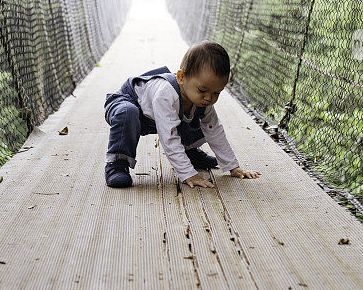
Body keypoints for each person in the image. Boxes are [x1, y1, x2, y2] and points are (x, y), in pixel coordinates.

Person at [103, 41, 260, 188]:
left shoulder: (202, 99)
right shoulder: (166, 94)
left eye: (216, 93)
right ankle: (117, 165)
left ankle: (189, 152)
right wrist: (188, 174)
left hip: (160, 114)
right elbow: (168, 136)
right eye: (202, 90)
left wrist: (233, 167)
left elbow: (214, 130)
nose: (209, 97)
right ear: (181, 77)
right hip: (129, 105)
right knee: (128, 113)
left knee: (197, 113)